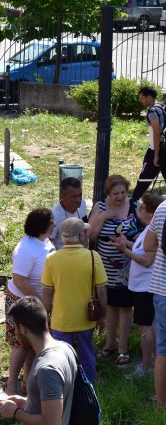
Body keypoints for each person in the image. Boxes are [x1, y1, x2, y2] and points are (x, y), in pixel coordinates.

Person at [42, 217, 108, 382]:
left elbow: (47, 293)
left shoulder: (52, 259)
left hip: (60, 320)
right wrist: (104, 316)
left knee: (61, 357)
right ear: (81, 236)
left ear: (63, 238)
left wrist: (46, 316)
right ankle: (88, 388)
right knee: (87, 354)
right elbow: (102, 291)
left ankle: (64, 386)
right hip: (86, 318)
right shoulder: (93, 257)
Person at [0, 296, 78, 425]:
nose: (16, 333)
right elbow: (56, 402)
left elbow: (52, 422)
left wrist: (15, 412)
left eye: (16, 329)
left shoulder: (47, 369)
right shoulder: (65, 348)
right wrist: (27, 403)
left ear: (23, 329)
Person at [88, 174, 139, 365]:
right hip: (105, 267)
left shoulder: (134, 206)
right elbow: (90, 235)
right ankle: (109, 344)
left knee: (125, 307)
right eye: (116, 193)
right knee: (109, 305)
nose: (120, 196)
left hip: (128, 266)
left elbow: (145, 235)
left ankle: (123, 348)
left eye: (123, 193)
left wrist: (128, 243)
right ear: (108, 193)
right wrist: (103, 217)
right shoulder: (100, 207)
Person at [111, 193, 164, 377]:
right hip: (140, 286)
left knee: (145, 327)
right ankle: (154, 362)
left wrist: (125, 250)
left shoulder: (154, 230)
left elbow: (147, 261)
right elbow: (141, 249)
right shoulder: (148, 228)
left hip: (145, 287)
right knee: (148, 326)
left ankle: (147, 366)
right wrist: (128, 243)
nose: (137, 209)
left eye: (140, 207)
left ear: (149, 211)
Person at [5, 208, 55, 394]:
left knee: (34, 343)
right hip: (22, 301)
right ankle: (11, 384)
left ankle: (27, 382)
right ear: (42, 226)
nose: (54, 225)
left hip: (38, 300)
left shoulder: (43, 240)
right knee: (21, 344)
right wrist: (40, 300)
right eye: (51, 222)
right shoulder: (25, 249)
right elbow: (19, 279)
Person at [143, 197, 166, 408]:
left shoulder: (163, 207)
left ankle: (161, 404)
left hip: (162, 289)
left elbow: (148, 245)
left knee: (163, 350)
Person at [131, 86, 166, 201]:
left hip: (156, 150)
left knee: (144, 179)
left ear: (149, 97)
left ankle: (133, 204)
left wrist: (156, 155)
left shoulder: (152, 111)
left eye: (142, 98)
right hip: (164, 149)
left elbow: (157, 133)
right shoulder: (161, 106)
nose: (141, 101)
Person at [49, 176, 89, 250]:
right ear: (62, 196)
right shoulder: (55, 215)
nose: (78, 199)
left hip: (83, 255)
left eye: (80, 195)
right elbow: (48, 241)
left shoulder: (83, 203)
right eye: (74, 196)